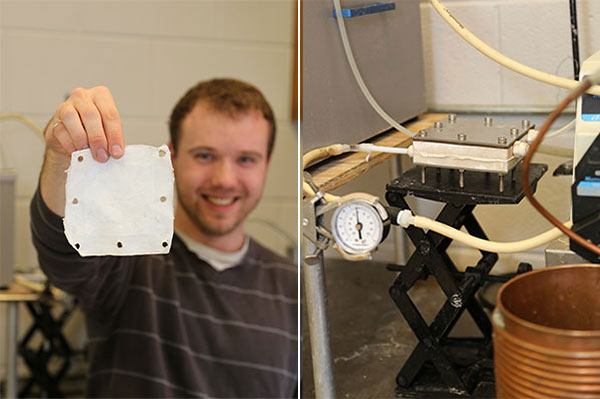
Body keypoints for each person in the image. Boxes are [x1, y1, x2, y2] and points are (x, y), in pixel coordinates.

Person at [30, 79, 298, 398]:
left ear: (266, 164)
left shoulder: (295, 290)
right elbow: (62, 252)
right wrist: (61, 158)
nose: (225, 179)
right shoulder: (126, 262)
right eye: (204, 156)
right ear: (170, 158)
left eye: (246, 160)